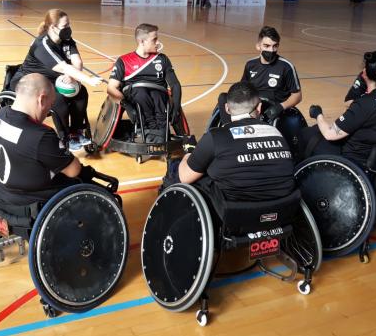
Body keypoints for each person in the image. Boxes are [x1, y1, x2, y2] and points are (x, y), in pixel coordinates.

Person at [164, 82, 295, 202]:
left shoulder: (215, 137)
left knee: (176, 168)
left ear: (226, 108)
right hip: (283, 207)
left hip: (237, 213)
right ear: (259, 107)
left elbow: (184, 177)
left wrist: (189, 152)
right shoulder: (277, 133)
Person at [0, 73, 96, 209]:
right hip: (30, 201)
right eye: (50, 105)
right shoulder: (40, 135)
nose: (47, 112)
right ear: (42, 99)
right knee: (82, 179)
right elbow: (73, 170)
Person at [11, 9, 102, 151]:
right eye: (65, 26)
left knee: (81, 93)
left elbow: (77, 62)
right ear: (53, 27)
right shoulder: (42, 44)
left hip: (52, 80)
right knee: (58, 98)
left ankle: (75, 133)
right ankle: (64, 137)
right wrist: (88, 79)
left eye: (69, 25)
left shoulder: (67, 40)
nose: (68, 29)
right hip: (29, 82)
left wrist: (72, 77)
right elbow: (65, 67)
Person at [300, 49, 376, 168]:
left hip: (360, 162)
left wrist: (318, 114)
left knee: (308, 134)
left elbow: (330, 134)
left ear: (364, 73)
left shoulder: (365, 103)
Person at [107, 23, 183, 144]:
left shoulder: (162, 59)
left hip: (159, 97)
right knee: (140, 92)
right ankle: (150, 131)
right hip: (136, 97)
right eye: (154, 39)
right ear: (142, 42)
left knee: (157, 93)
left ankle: (160, 133)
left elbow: (175, 85)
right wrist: (127, 106)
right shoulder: (124, 61)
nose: (158, 42)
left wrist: (177, 107)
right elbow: (111, 88)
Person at [216, 26, 302, 126]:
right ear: (258, 46)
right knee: (223, 97)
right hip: (253, 104)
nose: (271, 50)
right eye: (267, 46)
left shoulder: (286, 67)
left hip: (273, 106)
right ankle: (228, 127)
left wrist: (280, 107)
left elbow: (297, 95)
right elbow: (243, 88)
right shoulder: (250, 64)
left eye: (275, 46)